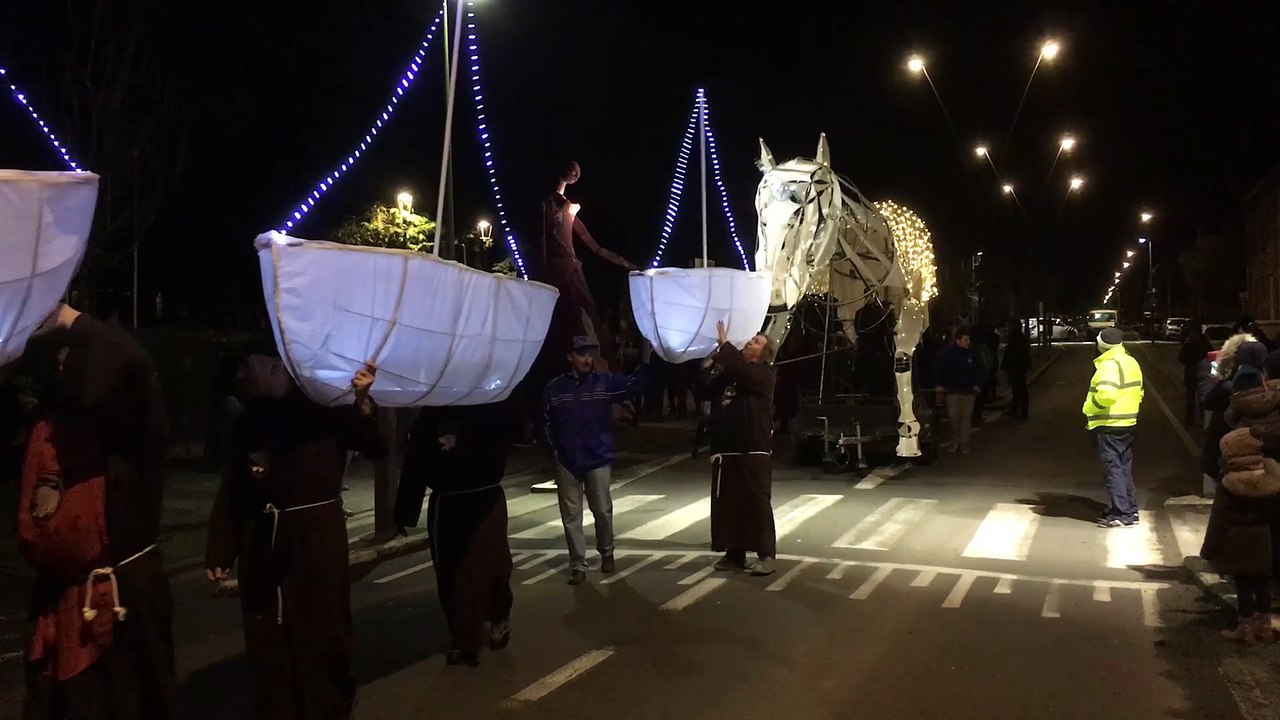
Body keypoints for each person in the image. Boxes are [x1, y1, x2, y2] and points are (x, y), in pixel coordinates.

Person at [205, 336, 383, 719]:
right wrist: (221, 547)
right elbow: (234, 489)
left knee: (322, 628)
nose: (241, 375)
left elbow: (375, 446)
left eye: (248, 366)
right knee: (267, 630)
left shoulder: (324, 409)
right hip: (262, 541)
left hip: (315, 539)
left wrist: (364, 403)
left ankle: (330, 705)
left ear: (275, 367)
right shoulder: (248, 421)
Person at [18, 303, 176, 719]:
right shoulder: (53, 425)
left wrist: (71, 319)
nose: (67, 367)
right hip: (60, 595)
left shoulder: (134, 431)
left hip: (124, 596)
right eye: (62, 358)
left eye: (76, 357)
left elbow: (131, 361)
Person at [395, 402, 515, 667]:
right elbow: (416, 460)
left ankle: (498, 614)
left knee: (492, 566)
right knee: (450, 571)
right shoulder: (432, 412)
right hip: (447, 501)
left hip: (485, 497)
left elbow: (508, 431)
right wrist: (405, 510)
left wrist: (463, 441)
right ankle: (463, 638)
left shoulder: (491, 403)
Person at [542, 336, 643, 585]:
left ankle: (606, 551)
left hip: (597, 457)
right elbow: (544, 422)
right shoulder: (555, 388)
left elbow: (632, 386)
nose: (587, 359)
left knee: (602, 510)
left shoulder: (603, 382)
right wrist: (554, 449)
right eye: (581, 354)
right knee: (571, 516)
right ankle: (578, 564)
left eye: (589, 354)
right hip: (566, 460)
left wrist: (649, 363)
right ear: (570, 357)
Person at [1200, 347, 1279, 642]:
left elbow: (1218, 520)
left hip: (1237, 544)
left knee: (1244, 585)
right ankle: (1264, 624)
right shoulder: (1270, 481)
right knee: (1264, 583)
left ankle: (1245, 626)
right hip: (1264, 542)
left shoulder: (1230, 485)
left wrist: (1209, 551)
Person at [538, 160, 639, 367]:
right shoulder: (550, 205)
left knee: (585, 313)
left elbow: (594, 246)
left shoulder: (566, 207)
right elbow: (545, 240)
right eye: (573, 172)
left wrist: (626, 263)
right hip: (559, 271)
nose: (575, 175)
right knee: (570, 315)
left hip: (569, 268)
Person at [704, 321, 778, 576]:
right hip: (727, 449)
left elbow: (742, 370)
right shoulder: (732, 372)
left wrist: (725, 346)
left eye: (756, 342)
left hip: (752, 449)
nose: (749, 342)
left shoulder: (764, 374)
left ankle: (766, 554)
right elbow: (705, 389)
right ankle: (734, 553)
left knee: (756, 503)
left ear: (763, 354)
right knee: (728, 504)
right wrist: (711, 363)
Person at [1084, 328, 1145, 528]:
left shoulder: (1109, 365)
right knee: (1124, 467)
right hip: (1128, 422)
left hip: (1110, 423)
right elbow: (1140, 392)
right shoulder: (1130, 361)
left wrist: (1091, 405)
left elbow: (1106, 394)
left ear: (1102, 345)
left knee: (1113, 469)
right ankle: (1130, 510)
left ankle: (1122, 514)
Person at [933, 327, 985, 454]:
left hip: (968, 391)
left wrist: (978, 384)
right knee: (954, 418)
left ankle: (964, 442)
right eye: (965, 340)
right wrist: (938, 384)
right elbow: (937, 368)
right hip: (952, 391)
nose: (968, 342)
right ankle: (955, 440)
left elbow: (979, 369)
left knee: (966, 419)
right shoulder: (946, 353)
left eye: (968, 340)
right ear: (958, 340)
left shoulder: (973, 353)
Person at [1179, 325, 1213, 425]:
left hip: (1201, 373)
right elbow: (1181, 358)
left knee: (1202, 397)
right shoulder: (1189, 344)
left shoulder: (1204, 343)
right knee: (1191, 398)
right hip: (1192, 373)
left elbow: (1211, 356)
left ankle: (1203, 419)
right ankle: (1191, 418)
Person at [1002, 322, 1031, 421]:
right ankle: (1017, 408)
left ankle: (1022, 410)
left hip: (1017, 367)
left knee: (1020, 389)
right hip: (1017, 367)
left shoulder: (1016, 338)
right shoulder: (1018, 337)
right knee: (1018, 389)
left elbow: (1013, 353)